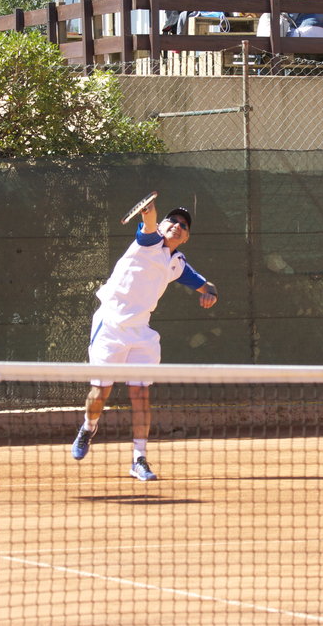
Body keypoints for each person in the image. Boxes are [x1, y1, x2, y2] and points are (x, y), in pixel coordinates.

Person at [71, 199, 218, 480]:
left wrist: (210, 294)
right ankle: (88, 428)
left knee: (141, 395)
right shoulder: (148, 242)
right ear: (161, 226)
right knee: (100, 392)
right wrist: (149, 214)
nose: (177, 226)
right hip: (110, 326)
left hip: (142, 333)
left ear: (186, 238)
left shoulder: (177, 264)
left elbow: (208, 285)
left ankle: (139, 459)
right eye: (172, 221)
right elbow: (149, 224)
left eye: (183, 226)